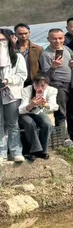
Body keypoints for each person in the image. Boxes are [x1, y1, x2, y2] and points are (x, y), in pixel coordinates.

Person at [1, 32, 27, 163]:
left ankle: (16, 151)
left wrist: (7, 80)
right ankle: (2, 153)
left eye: (3, 40)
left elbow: (22, 75)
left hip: (12, 94)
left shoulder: (17, 57)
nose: (1, 43)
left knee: (13, 123)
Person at [19, 73, 57, 161]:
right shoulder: (26, 90)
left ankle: (43, 151)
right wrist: (31, 104)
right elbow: (21, 109)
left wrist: (45, 104)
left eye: (42, 85)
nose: (39, 87)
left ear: (47, 84)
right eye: (36, 84)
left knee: (47, 124)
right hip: (26, 112)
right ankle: (35, 151)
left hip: (39, 111)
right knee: (30, 123)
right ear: (33, 84)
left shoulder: (52, 90)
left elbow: (55, 106)